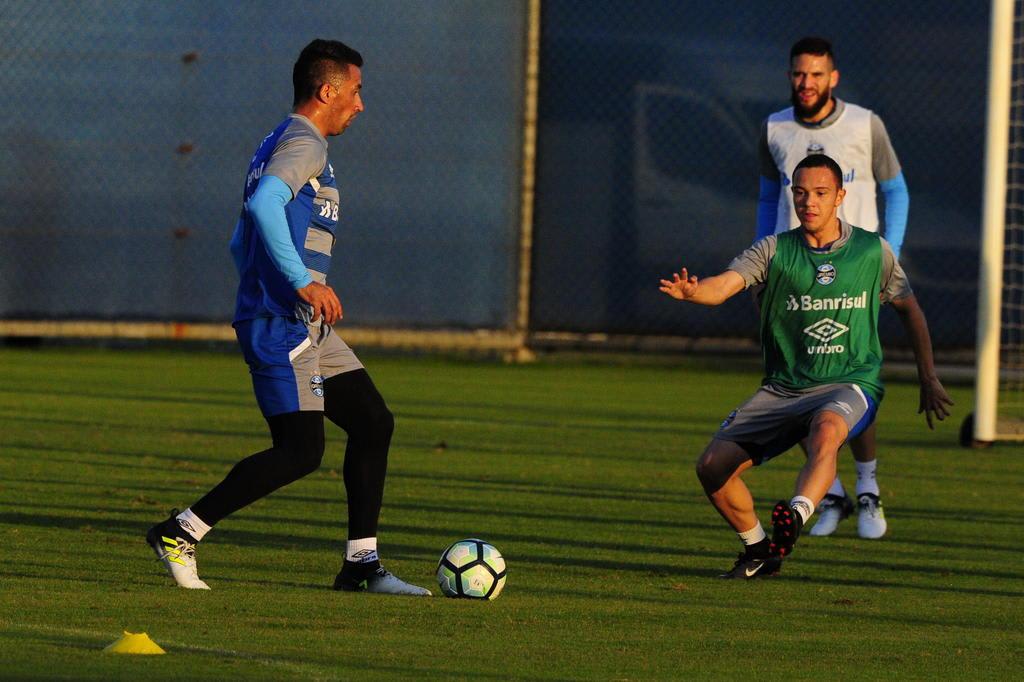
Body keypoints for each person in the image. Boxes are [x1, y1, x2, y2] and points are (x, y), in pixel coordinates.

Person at [146, 39, 431, 595]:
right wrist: (297, 283)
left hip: (299, 321)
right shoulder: (305, 143)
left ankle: (362, 566)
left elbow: (238, 239)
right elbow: (262, 206)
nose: (360, 104)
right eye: (356, 91)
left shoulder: (280, 139)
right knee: (300, 451)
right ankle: (181, 531)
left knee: (373, 421)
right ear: (328, 90)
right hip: (282, 322)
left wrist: (276, 284)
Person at [660, 154, 951, 578]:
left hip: (850, 382)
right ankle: (760, 549)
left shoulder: (872, 250)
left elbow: (910, 309)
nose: (808, 202)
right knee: (712, 467)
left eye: (819, 193)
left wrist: (928, 376)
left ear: (839, 197)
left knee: (827, 431)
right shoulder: (774, 251)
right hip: (783, 388)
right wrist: (693, 292)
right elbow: (722, 287)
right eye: (800, 193)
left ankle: (794, 517)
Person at [757, 37, 911, 539]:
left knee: (854, 381)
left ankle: (867, 490)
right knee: (799, 386)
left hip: (855, 278)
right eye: (799, 74)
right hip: (795, 277)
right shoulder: (775, 128)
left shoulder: (865, 124)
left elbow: (897, 191)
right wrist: (762, 265)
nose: (807, 83)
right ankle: (833, 493)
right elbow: (765, 198)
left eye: (817, 74)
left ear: (833, 77)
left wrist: (888, 256)